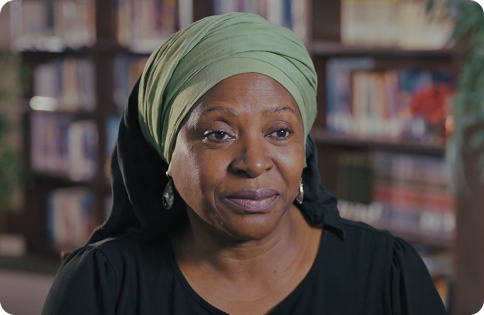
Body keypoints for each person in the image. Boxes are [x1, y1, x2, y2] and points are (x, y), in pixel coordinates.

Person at [42, 13, 446, 315]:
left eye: (280, 132)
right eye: (218, 134)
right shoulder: (102, 285)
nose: (254, 163)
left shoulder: (389, 273)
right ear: (167, 152)